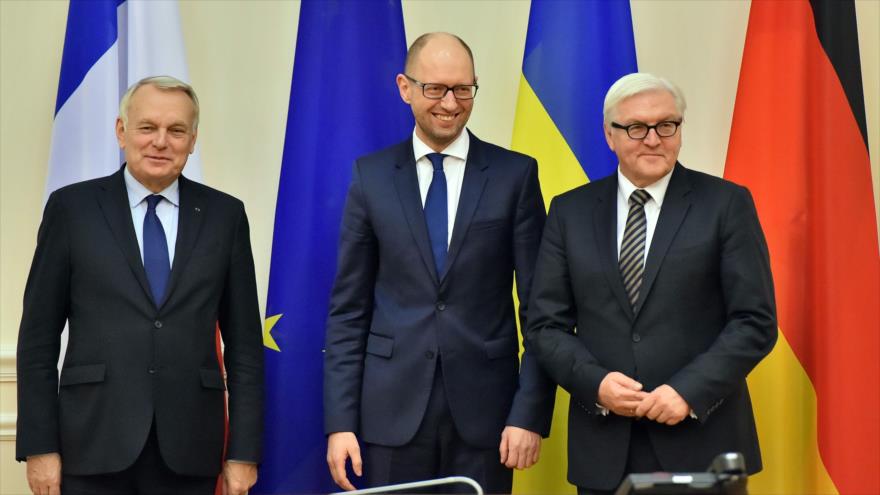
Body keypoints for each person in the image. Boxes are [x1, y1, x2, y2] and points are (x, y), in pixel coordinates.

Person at [323, 32, 555, 492]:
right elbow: (349, 309)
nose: (450, 103)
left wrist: (529, 413)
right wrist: (340, 422)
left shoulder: (515, 175)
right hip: (390, 414)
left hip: (487, 418)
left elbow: (542, 311)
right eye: (435, 89)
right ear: (405, 88)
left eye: (462, 89)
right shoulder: (371, 177)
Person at [525, 72, 778, 495]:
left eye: (667, 125)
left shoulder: (726, 204)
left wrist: (688, 392)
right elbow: (544, 325)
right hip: (605, 449)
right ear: (610, 135)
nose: (654, 139)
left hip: (703, 444)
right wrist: (596, 384)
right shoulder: (569, 212)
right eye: (637, 128)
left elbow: (754, 321)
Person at [16, 76, 264, 495]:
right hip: (91, 445)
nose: (160, 142)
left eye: (176, 130)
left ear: (193, 140)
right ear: (121, 131)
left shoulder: (225, 216)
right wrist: (40, 447)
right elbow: (38, 338)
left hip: (190, 449)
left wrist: (243, 452)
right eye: (147, 127)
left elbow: (245, 347)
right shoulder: (71, 209)